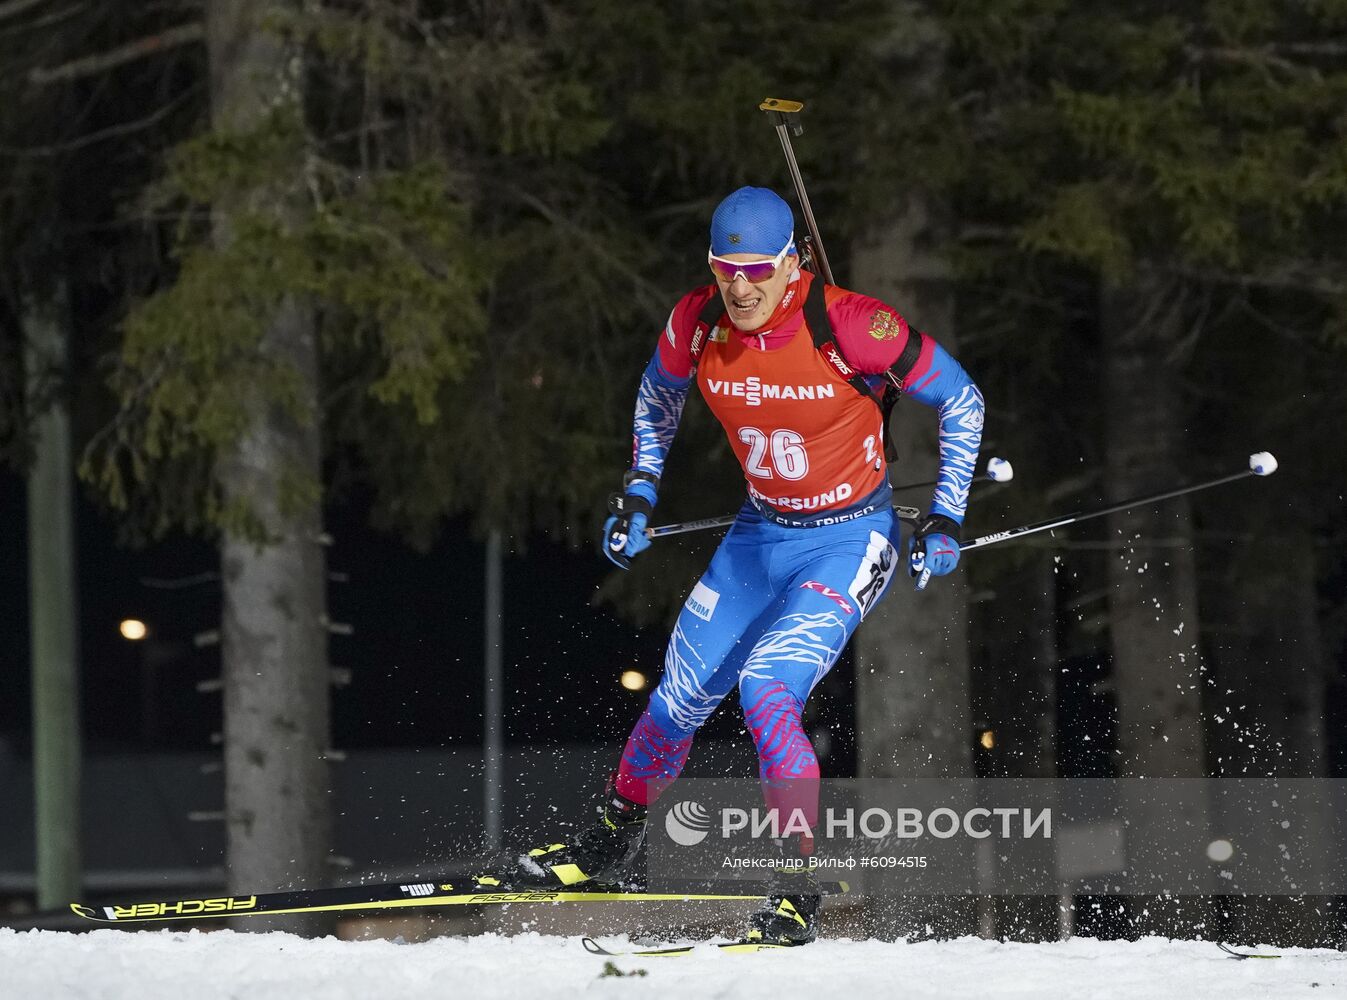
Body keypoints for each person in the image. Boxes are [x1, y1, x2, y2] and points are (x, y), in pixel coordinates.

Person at [499, 187, 983, 945]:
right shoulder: (697, 321)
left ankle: (795, 890)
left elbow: (962, 400)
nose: (742, 287)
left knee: (766, 690)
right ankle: (607, 848)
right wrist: (635, 495)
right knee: (675, 703)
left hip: (849, 539)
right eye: (727, 269)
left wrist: (947, 513)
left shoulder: (850, 325)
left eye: (758, 269)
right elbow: (657, 393)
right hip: (758, 538)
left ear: (793, 261)